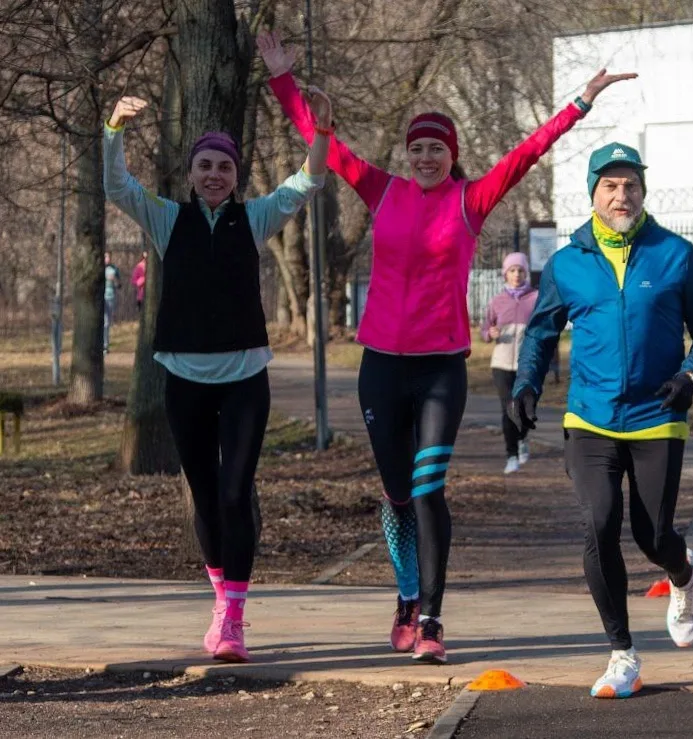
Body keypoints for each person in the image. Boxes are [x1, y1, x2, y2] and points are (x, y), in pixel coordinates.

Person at [257, 29, 635, 665]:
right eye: (418, 148)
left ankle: (431, 617)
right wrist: (282, 82)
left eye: (436, 148)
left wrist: (582, 101)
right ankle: (405, 596)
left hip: (439, 370)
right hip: (380, 366)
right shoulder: (383, 191)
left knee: (429, 487)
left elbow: (528, 152)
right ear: (408, 155)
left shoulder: (470, 199)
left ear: (451, 154)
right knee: (398, 491)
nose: (426, 157)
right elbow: (324, 141)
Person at [102, 91, 332, 663]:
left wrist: (321, 134)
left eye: (224, 166)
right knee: (205, 498)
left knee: (236, 493)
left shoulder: (253, 219)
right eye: (205, 165)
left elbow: (305, 183)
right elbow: (116, 188)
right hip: (182, 377)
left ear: (235, 176)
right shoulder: (166, 218)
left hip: (245, 376)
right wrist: (114, 129)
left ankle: (233, 615)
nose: (214, 174)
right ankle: (219, 597)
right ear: (191, 173)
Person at [510, 142, 693, 699]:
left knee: (652, 536)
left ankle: (683, 573)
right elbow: (540, 332)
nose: (621, 194)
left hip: (659, 414)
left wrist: (691, 375)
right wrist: (527, 384)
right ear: (593, 194)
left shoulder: (674, 254)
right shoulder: (567, 263)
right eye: (610, 186)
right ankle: (622, 653)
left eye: (630, 185)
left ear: (643, 192)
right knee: (599, 522)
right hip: (591, 416)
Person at [481, 252, 538, 475]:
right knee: (508, 408)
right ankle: (511, 455)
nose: (516, 275)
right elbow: (485, 330)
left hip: (527, 365)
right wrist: (490, 333)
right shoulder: (497, 301)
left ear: (526, 273)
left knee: (524, 408)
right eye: (512, 271)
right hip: (502, 363)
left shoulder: (535, 298)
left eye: (520, 270)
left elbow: (545, 326)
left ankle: (523, 438)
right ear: (505, 274)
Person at [103, 251, 122, 352]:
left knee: (107, 322)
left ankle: (105, 346)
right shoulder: (99, 268)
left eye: (109, 257)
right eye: (106, 257)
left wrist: (114, 280)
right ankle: (102, 345)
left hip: (110, 296)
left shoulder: (114, 269)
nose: (108, 259)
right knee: (102, 322)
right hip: (100, 298)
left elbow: (119, 285)